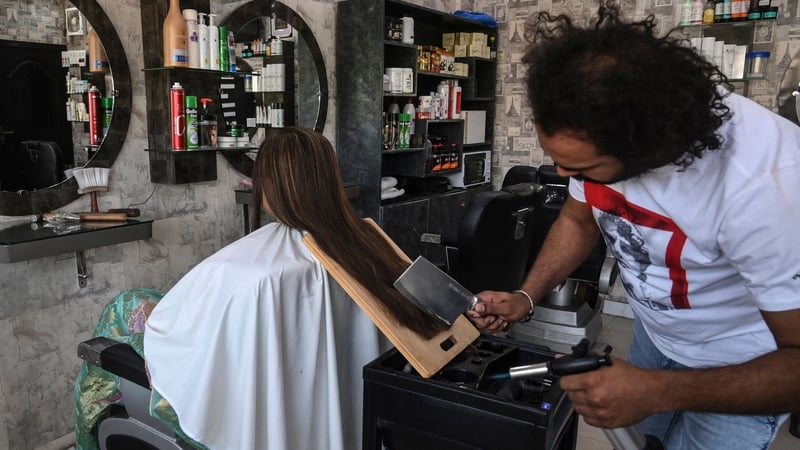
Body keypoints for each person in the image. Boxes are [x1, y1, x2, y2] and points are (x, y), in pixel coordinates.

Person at [468, 3, 800, 449]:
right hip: (655, 335)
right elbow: (577, 217)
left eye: (581, 168)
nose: (565, 176)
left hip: (743, 359)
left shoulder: (767, 184)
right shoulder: (596, 132)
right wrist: (527, 296)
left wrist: (657, 390)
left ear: (651, 146)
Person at [76, 127, 445, 450]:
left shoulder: (258, 277)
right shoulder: (363, 242)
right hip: (349, 417)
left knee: (123, 307)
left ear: (272, 186)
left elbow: (187, 346)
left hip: (240, 391)